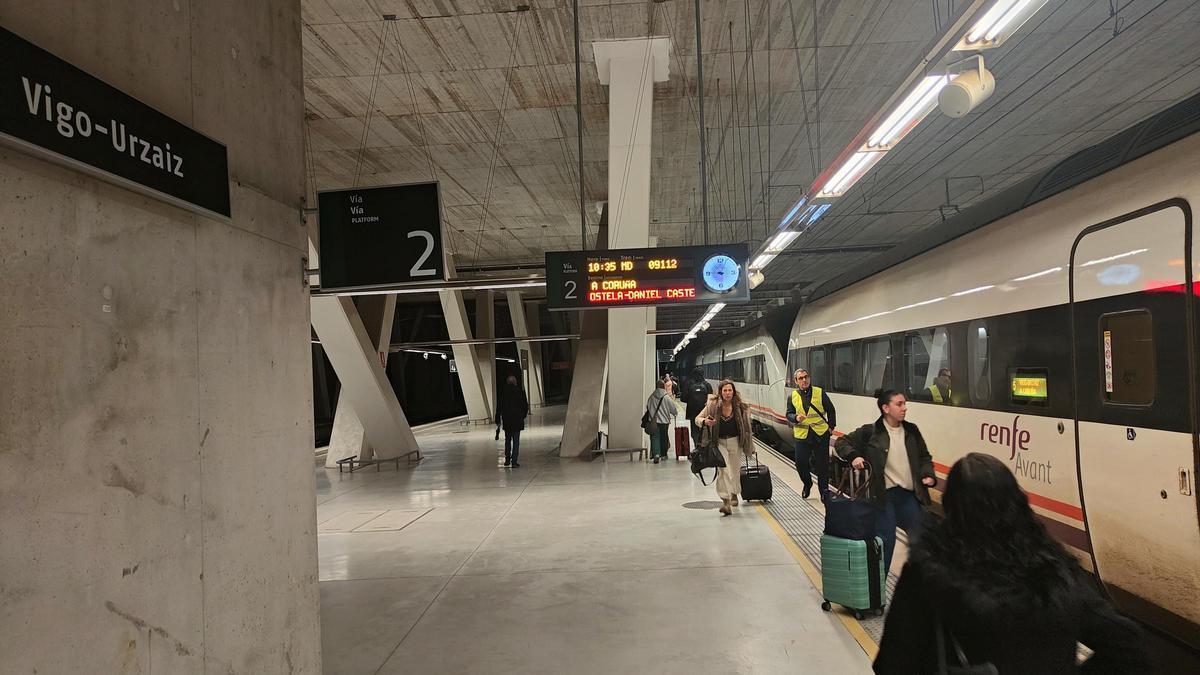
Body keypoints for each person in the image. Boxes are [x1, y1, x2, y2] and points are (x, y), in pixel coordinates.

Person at [874, 453, 1148, 674]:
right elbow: (1128, 644)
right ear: (1017, 502)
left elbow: (893, 664)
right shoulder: (1053, 571)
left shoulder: (929, 572)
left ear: (951, 507)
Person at [834, 389, 936, 573]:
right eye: (899, 404)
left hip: (908, 496)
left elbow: (924, 457)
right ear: (885, 408)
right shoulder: (870, 432)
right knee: (886, 541)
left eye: (905, 404)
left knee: (921, 540)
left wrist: (928, 474)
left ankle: (921, 581)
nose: (904, 408)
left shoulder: (911, 431)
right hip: (883, 497)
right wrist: (854, 456)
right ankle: (879, 584)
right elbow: (841, 442)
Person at [695, 380, 756, 516]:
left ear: (733, 392)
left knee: (734, 471)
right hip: (719, 443)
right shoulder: (712, 405)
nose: (728, 393)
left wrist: (751, 446)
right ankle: (726, 501)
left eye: (730, 390)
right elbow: (697, 419)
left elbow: (747, 429)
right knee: (724, 471)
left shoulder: (740, 407)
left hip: (736, 442)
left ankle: (734, 493)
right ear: (720, 392)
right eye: (725, 390)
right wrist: (705, 421)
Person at [785, 368, 836, 501]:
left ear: (809, 378)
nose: (804, 380)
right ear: (796, 381)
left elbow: (831, 410)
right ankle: (807, 483)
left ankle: (824, 491)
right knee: (800, 463)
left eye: (806, 377)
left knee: (822, 465)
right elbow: (788, 414)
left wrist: (831, 427)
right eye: (801, 378)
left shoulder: (819, 392)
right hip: (802, 435)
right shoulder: (792, 396)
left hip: (820, 434)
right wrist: (796, 417)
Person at [495, 374, 529, 467]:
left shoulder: (503, 393)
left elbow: (499, 407)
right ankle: (514, 461)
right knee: (516, 441)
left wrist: (498, 418)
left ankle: (507, 460)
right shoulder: (520, 392)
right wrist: (522, 416)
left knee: (507, 440)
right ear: (515, 382)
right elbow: (525, 406)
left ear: (507, 382)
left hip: (507, 420)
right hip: (517, 420)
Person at [644, 378, 678, 464]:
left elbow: (648, 406)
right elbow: (673, 409)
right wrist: (674, 413)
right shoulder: (666, 397)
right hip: (664, 422)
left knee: (654, 437)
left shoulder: (651, 397)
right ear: (664, 387)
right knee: (664, 437)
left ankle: (656, 454)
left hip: (653, 421)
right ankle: (663, 455)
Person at [683, 366, 713, 448]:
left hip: (692, 412)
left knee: (694, 431)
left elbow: (683, 398)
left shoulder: (689, 384)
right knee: (705, 430)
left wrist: (691, 400)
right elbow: (711, 399)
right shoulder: (707, 385)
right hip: (705, 412)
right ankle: (704, 447)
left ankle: (697, 446)